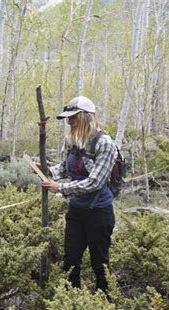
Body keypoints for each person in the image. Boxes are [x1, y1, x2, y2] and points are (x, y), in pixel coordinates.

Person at [42, 96, 117, 293]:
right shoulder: (72, 141)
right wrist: (48, 172)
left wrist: (61, 188)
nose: (69, 122)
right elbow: (66, 168)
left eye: (73, 118)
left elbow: (95, 182)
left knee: (99, 264)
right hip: (76, 211)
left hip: (99, 213)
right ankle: (72, 302)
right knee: (70, 261)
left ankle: (104, 303)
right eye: (68, 118)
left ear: (87, 117)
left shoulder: (105, 144)